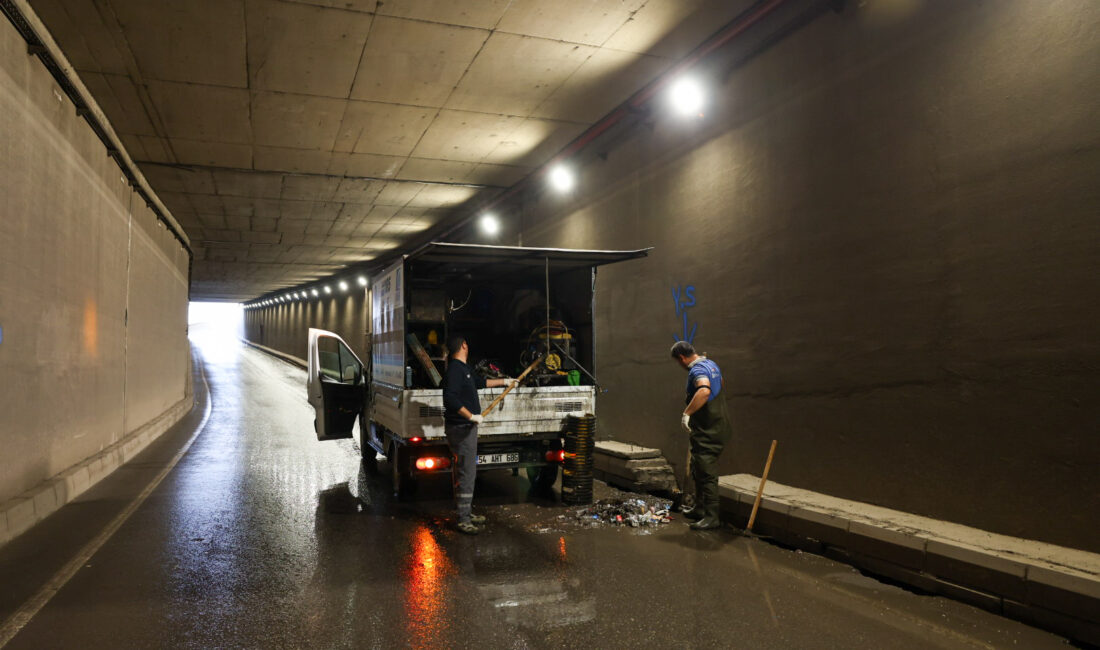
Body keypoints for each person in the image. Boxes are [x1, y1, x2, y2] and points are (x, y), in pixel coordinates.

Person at [442, 334, 514, 535]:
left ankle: (465, 511)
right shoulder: (455, 370)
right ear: (464, 345)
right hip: (462, 429)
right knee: (467, 472)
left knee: (465, 471)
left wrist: (505, 381)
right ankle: (463, 519)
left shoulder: (463, 369)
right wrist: (471, 416)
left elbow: (480, 382)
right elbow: (450, 398)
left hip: (466, 428)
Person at [671, 340, 732, 530]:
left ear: (681, 357)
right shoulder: (711, 364)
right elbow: (720, 383)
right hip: (713, 426)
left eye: (678, 362)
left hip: (709, 431)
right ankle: (699, 509)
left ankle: (712, 517)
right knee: (698, 468)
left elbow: (704, 390)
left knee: (707, 473)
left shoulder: (697, 371)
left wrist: (686, 414)